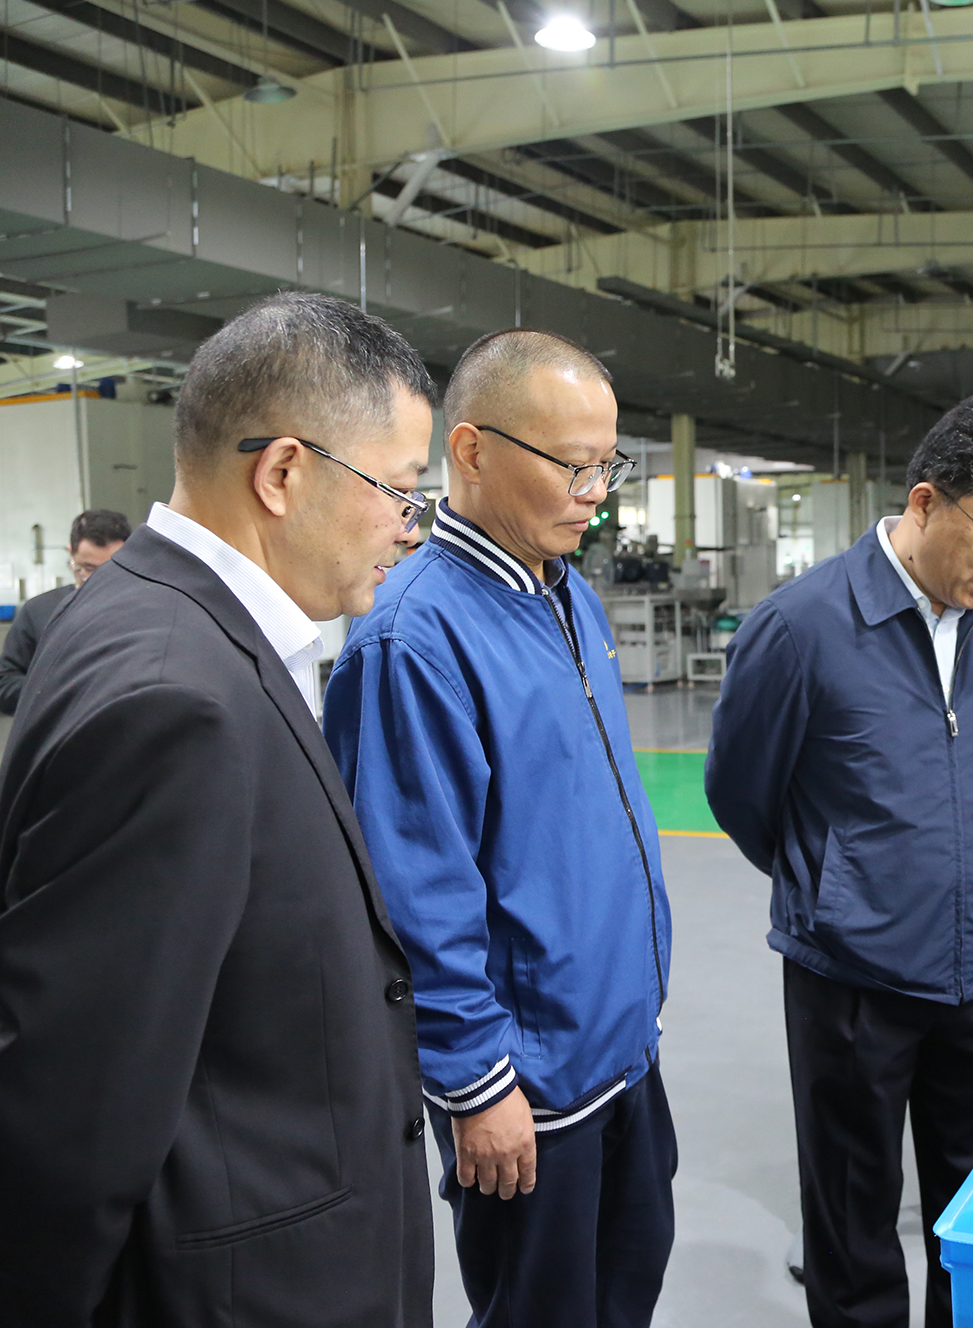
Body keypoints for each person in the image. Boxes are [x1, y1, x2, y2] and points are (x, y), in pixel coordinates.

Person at [0, 291, 437, 1326]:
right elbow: (67, 1085)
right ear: (283, 472)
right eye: (398, 488)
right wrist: (19, 1289)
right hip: (241, 1287)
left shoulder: (151, 616)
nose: (409, 524)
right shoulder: (179, 696)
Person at [323, 329, 675, 1328]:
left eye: (608, 464)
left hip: (618, 1047)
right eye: (571, 465)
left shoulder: (567, 594)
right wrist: (476, 1084)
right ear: (471, 451)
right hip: (530, 1085)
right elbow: (412, 892)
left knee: (625, 1291)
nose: (594, 492)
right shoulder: (414, 639)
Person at [705, 397, 973, 1328]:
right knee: (852, 1219)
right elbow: (741, 793)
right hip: (852, 978)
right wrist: (840, 885)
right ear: (926, 501)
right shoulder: (801, 626)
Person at [0, 508, 130, 715]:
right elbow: (4, 684)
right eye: (87, 569)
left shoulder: (143, 610)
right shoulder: (39, 611)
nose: (97, 581)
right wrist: (58, 693)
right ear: (70, 553)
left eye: (110, 570)